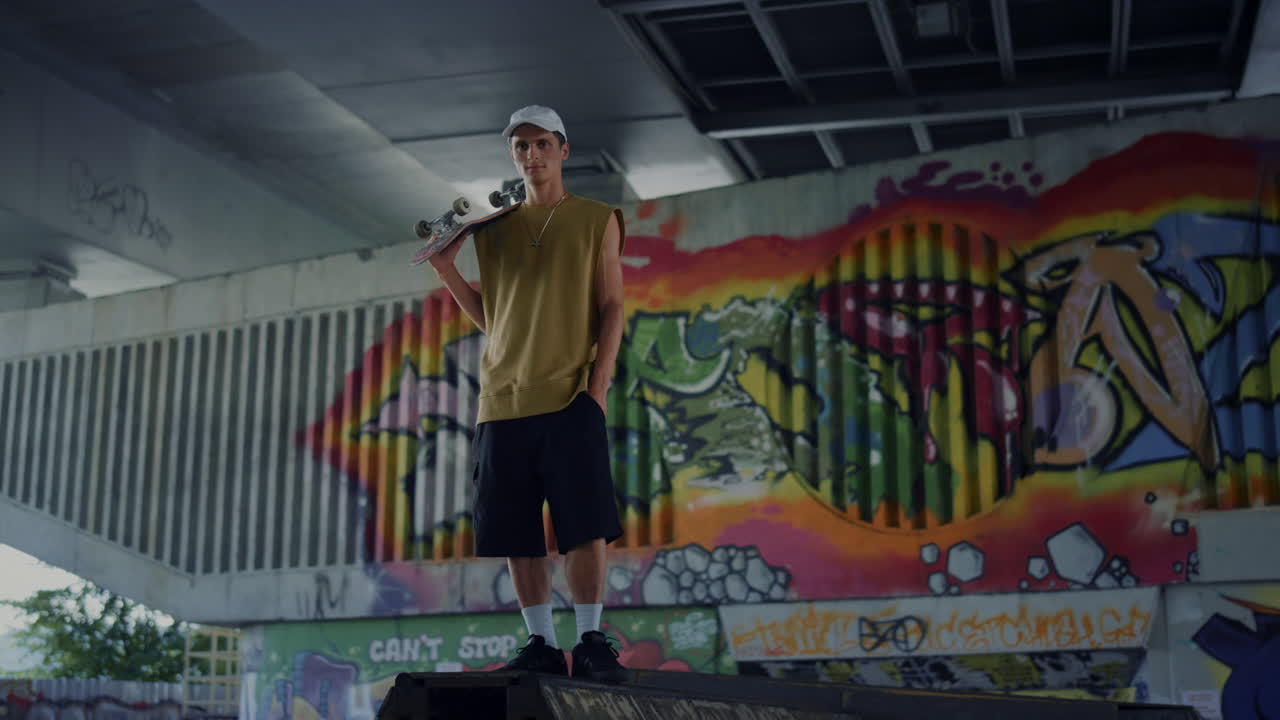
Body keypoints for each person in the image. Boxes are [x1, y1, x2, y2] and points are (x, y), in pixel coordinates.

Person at [427, 105, 629, 682]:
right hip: (502, 401)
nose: (531, 154)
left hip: (571, 396)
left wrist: (598, 387)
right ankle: (540, 643)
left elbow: (613, 305)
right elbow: (495, 319)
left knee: (585, 525)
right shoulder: (492, 228)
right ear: (512, 154)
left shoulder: (596, 219)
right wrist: (445, 268)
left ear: (563, 150)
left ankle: (590, 640)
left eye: (542, 143)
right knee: (517, 531)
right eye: (521, 146)